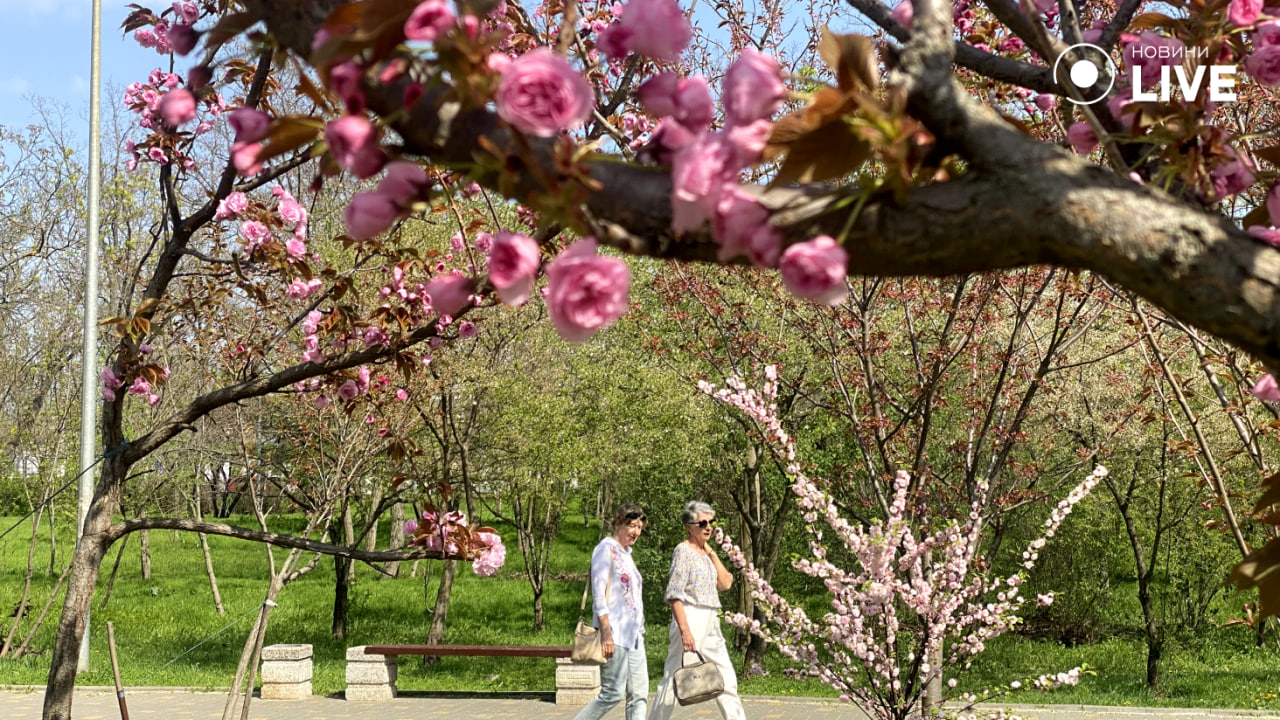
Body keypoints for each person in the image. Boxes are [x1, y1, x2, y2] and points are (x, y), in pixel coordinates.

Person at [647, 501, 746, 720]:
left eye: (711, 522)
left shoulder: (705, 554)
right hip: (691, 616)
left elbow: (726, 583)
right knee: (674, 677)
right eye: (702, 523)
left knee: (726, 677)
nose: (708, 527)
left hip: (711, 618)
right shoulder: (683, 551)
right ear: (689, 526)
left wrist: (711, 553)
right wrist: (685, 631)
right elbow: (674, 594)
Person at [573, 504, 649, 720]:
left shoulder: (626, 554)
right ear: (618, 524)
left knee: (639, 695)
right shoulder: (605, 549)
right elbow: (598, 594)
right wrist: (606, 631)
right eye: (631, 526)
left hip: (634, 636)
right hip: (614, 634)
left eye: (639, 527)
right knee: (612, 693)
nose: (636, 531)